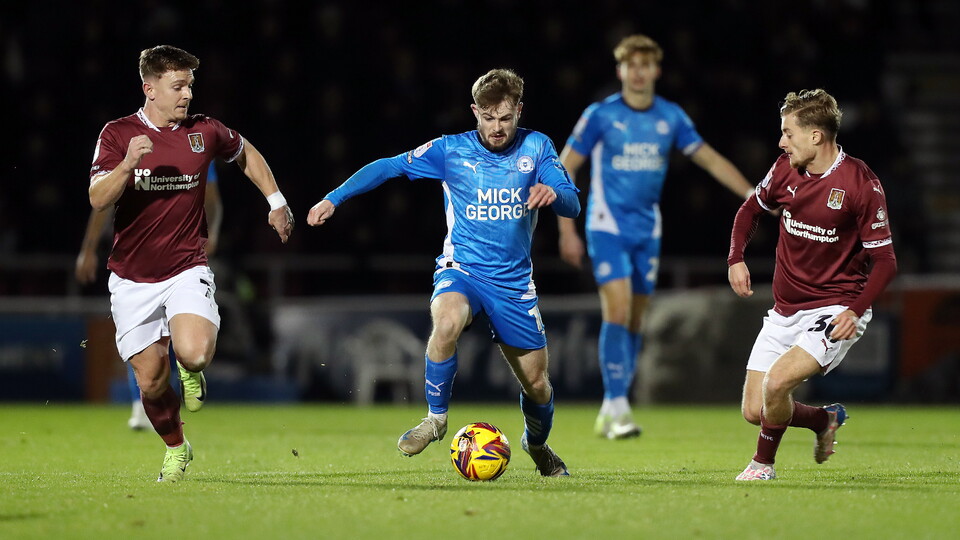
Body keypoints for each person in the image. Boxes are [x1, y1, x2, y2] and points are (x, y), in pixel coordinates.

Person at [307, 69, 580, 476]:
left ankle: (536, 444)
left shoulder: (537, 147)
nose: (497, 127)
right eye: (488, 118)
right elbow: (390, 165)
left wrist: (554, 193)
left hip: (513, 284)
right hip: (462, 269)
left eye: (505, 118)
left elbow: (573, 202)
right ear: (475, 112)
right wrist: (335, 197)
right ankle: (435, 419)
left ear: (519, 111)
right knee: (446, 321)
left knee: (538, 385)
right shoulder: (452, 150)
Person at [87, 45, 294, 482]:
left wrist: (275, 201)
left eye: (189, 86)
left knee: (195, 353)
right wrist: (127, 165)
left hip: (186, 266)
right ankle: (177, 448)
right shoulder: (118, 134)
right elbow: (97, 198)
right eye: (177, 86)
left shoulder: (204, 131)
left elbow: (248, 154)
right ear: (150, 88)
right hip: (131, 278)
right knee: (150, 383)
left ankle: (190, 365)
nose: (186, 95)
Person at [557, 34, 756, 439]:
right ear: (620, 71)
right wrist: (566, 229)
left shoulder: (671, 117)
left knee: (634, 319)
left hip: (647, 230)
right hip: (605, 225)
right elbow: (564, 166)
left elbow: (710, 159)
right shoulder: (600, 115)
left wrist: (754, 194)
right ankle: (619, 408)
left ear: (656, 71)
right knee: (617, 307)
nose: (639, 71)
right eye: (631, 65)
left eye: (646, 64)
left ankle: (613, 404)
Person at [727, 88, 897, 481]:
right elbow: (750, 208)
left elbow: (886, 261)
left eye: (788, 133)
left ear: (816, 136)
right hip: (785, 310)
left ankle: (762, 465)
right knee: (756, 410)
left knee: (778, 382)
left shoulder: (860, 184)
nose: (781, 142)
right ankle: (824, 420)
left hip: (836, 307)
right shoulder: (785, 168)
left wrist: (855, 310)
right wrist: (736, 257)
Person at [76, 162, 222, 431]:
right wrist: (88, 248)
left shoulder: (195, 146)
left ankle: (189, 368)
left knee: (185, 339)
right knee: (144, 344)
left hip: (182, 260)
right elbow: (103, 201)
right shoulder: (128, 147)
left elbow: (211, 199)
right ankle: (140, 403)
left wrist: (211, 232)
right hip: (135, 265)